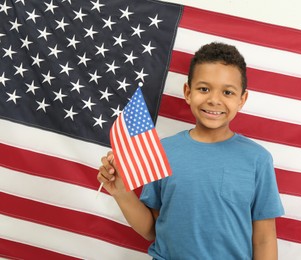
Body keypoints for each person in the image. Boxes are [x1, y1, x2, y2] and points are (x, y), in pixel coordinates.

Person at [97, 42, 284, 259]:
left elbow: (264, 238)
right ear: (188, 92)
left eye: (228, 92)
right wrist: (121, 191)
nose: (214, 100)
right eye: (204, 89)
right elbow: (151, 230)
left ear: (242, 99)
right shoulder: (163, 151)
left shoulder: (257, 160)